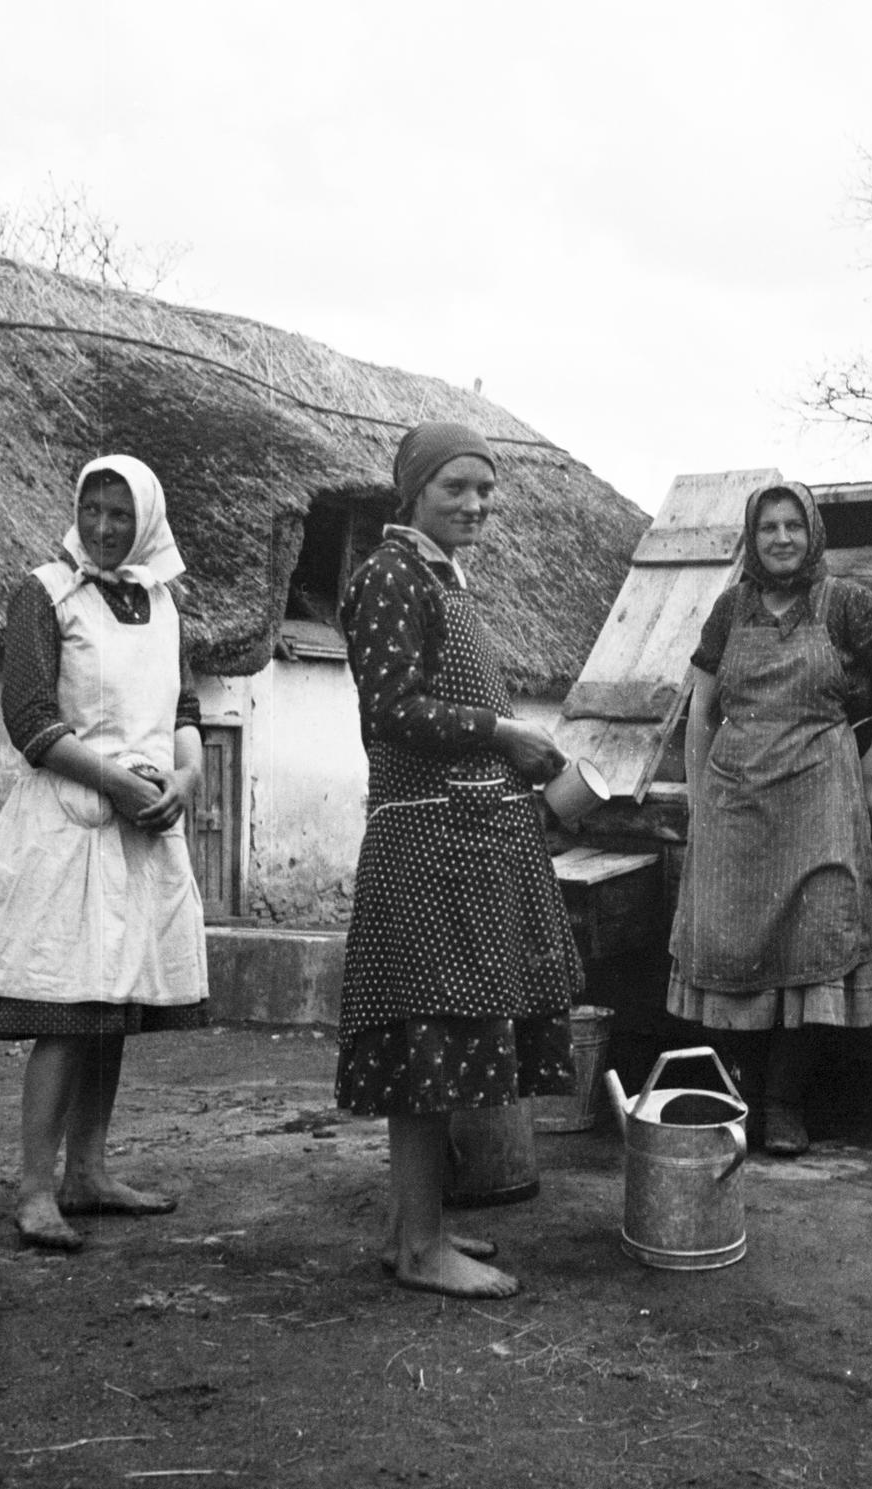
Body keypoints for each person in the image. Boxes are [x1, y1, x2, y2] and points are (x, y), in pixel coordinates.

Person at [337, 421, 581, 1299]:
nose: (476, 504)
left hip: (464, 835)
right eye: (456, 489)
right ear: (414, 494)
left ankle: (416, 1228)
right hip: (426, 841)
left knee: (435, 1042)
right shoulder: (390, 577)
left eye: (486, 490)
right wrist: (504, 733)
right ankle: (417, 1247)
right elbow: (392, 712)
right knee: (425, 1042)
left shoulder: (442, 578)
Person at [0, 455, 208, 1251]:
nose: (104, 526)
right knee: (66, 1010)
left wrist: (185, 776)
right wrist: (117, 782)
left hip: (144, 825)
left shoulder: (166, 603)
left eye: (120, 512)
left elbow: (183, 707)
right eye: (92, 509)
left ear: (147, 518)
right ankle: (37, 1190)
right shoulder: (45, 593)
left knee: (113, 1010)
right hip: (70, 826)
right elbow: (31, 720)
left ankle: (90, 1173)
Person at [667, 482, 872, 1157]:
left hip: (819, 799)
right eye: (767, 529)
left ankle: (785, 1104)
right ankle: (740, 1094)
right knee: (731, 944)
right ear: (752, 539)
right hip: (735, 804)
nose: (781, 538)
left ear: (812, 533)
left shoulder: (846, 603)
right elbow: (700, 710)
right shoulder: (730, 608)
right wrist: (700, 795)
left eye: (792, 526)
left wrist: (867, 776)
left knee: (813, 940)